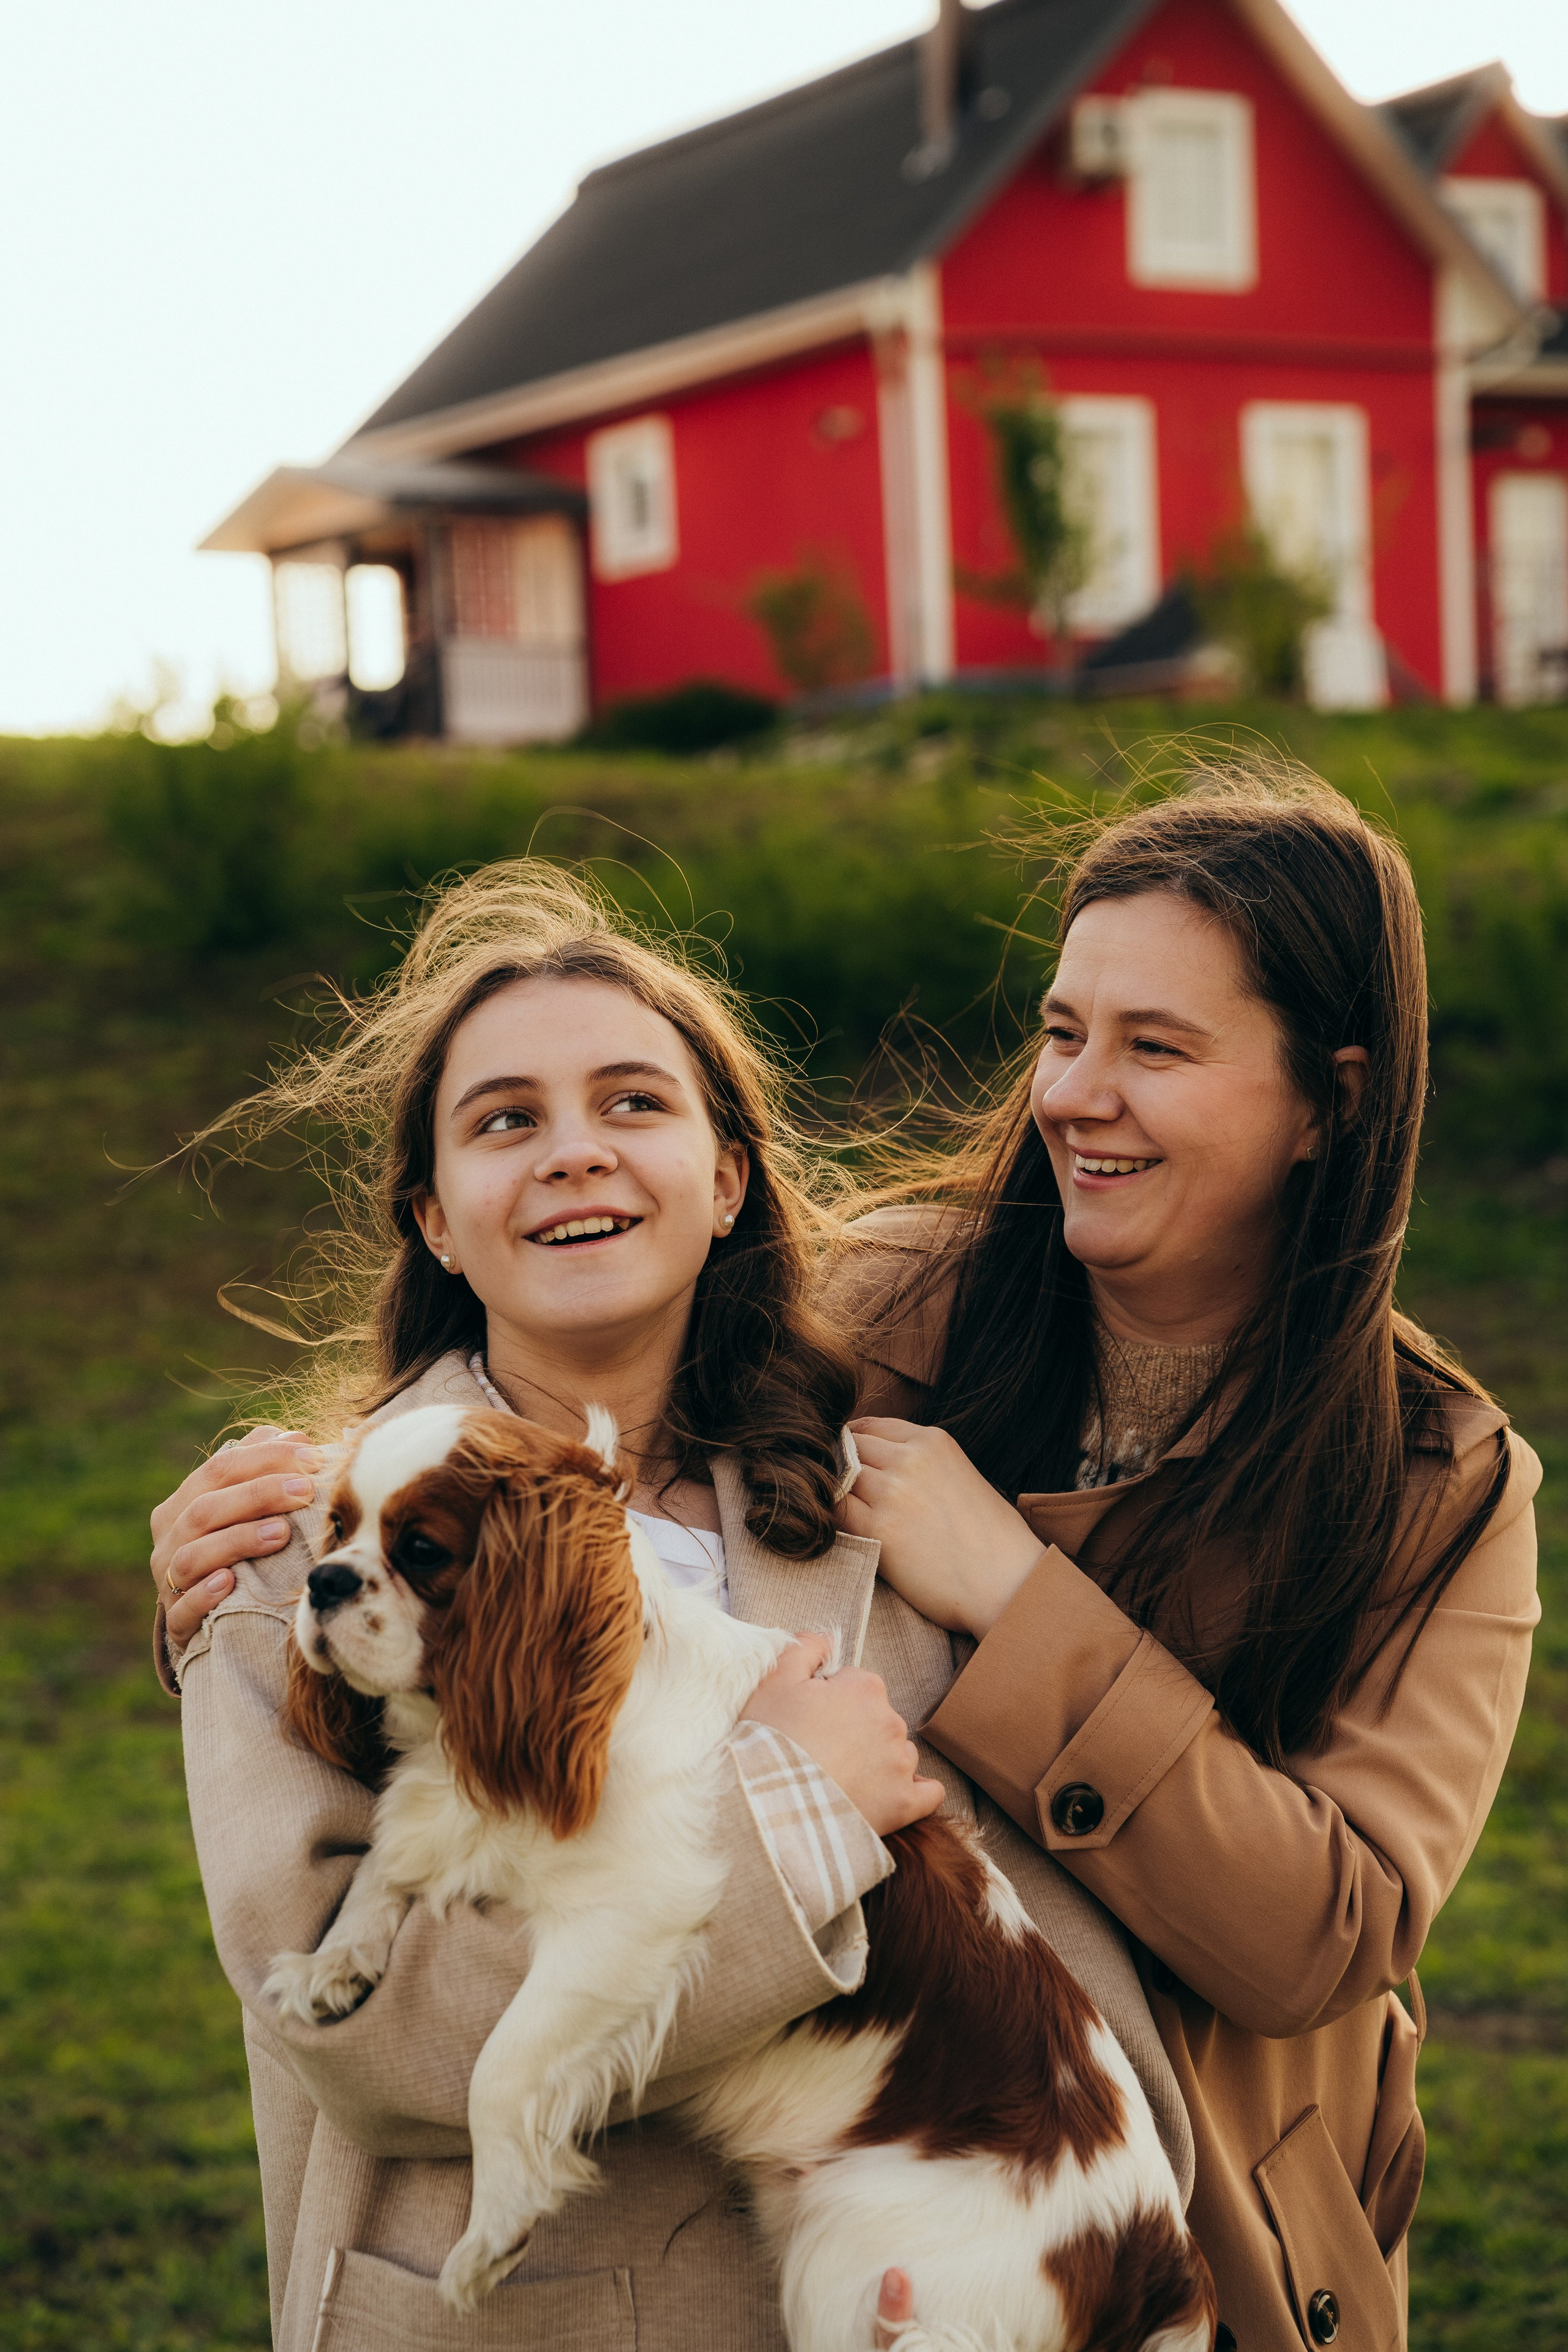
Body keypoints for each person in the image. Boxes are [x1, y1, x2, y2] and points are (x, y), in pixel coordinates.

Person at [150, 863, 1190, 2351]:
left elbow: (1033, 1941)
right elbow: (364, 2037)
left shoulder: (880, 1524)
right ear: (436, 1219)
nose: (573, 1153)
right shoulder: (286, 1558)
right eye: (505, 1121)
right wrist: (793, 1830)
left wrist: (1110, 2271)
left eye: (634, 1104)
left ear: (725, 1183)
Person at [830, 772, 1540, 2350]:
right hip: (865, 2191)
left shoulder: (1441, 1484)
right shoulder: (881, 1308)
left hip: (1202, 2252)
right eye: (1061, 1030)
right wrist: (273, 1523)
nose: (1077, 1093)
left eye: (1154, 1048)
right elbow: (559, 1449)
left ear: (1328, 1101)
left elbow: (1324, 1932)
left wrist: (1013, 1600)